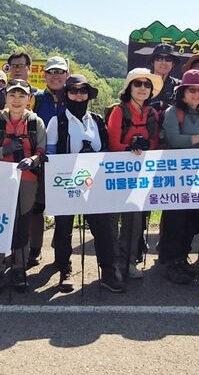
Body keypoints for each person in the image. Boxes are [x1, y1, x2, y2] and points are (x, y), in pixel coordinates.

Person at [45, 75, 125, 293]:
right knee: (64, 228)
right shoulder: (56, 122)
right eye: (73, 91)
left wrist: (94, 156)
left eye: (83, 91)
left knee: (102, 228)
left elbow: (106, 149)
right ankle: (64, 269)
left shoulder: (97, 121)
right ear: (66, 95)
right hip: (66, 182)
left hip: (94, 183)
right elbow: (50, 153)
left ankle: (108, 271)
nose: (79, 96)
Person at [0, 79, 46, 293]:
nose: (16, 100)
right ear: (6, 98)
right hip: (0, 180)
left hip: (27, 180)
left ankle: (19, 268)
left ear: (29, 99)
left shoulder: (36, 123)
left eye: (21, 96)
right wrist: (5, 150)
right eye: (12, 95)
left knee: (23, 224)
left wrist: (33, 160)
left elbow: (42, 151)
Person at [157, 69, 199, 285]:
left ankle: (182, 257)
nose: (197, 94)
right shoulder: (173, 112)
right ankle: (171, 262)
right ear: (182, 92)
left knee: (194, 219)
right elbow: (174, 140)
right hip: (176, 177)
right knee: (175, 220)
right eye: (192, 90)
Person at [106, 68, 162, 279]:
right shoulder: (119, 111)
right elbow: (113, 143)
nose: (142, 88)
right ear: (129, 88)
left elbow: (155, 141)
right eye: (137, 84)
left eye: (147, 85)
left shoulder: (152, 113)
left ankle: (128, 263)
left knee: (134, 222)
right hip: (118, 173)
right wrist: (130, 148)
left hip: (140, 175)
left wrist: (145, 146)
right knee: (113, 221)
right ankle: (112, 264)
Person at [29, 56, 69, 269]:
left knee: (63, 209)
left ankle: (61, 254)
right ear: (44, 75)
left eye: (60, 72)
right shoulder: (36, 99)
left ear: (67, 75)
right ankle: (34, 250)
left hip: (65, 163)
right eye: (51, 72)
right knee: (37, 208)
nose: (55, 76)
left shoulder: (73, 96)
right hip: (38, 161)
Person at [148, 43, 181, 111]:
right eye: (159, 58)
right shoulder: (143, 83)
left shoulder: (179, 85)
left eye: (168, 59)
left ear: (173, 64)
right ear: (152, 62)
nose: (163, 63)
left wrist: (164, 106)